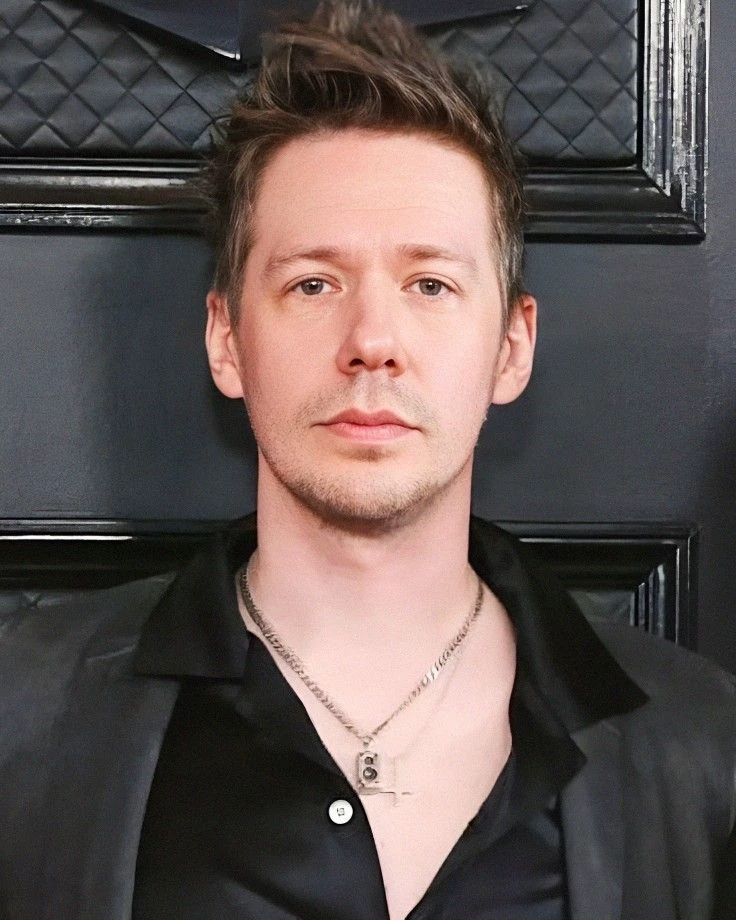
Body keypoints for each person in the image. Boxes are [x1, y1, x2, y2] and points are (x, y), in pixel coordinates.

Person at [1, 2, 735, 918]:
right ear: (226, 341)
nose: (372, 342)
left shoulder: (703, 749)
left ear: (511, 348)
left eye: (430, 284)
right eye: (314, 283)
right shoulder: (23, 710)